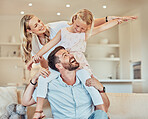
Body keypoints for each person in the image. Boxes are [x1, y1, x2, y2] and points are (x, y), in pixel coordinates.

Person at [25, 9, 137, 118]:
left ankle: (102, 113)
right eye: (77, 26)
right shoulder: (62, 32)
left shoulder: (84, 34)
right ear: (74, 19)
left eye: (83, 28)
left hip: (80, 65)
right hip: (67, 66)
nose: (78, 30)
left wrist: (118, 21)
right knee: (44, 79)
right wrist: (33, 59)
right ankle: (38, 111)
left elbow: (102, 27)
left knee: (91, 85)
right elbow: (47, 46)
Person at [22, 46, 110, 119]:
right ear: (59, 66)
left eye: (68, 53)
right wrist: (34, 79)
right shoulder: (51, 85)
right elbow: (26, 102)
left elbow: (103, 111)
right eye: (65, 55)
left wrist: (101, 89)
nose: (71, 55)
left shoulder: (88, 81)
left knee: (101, 115)